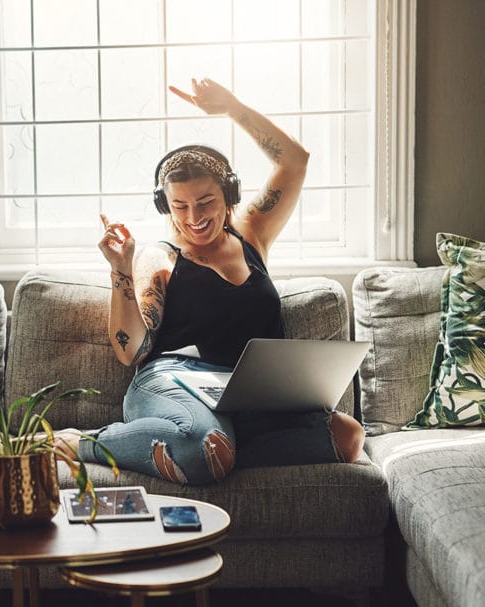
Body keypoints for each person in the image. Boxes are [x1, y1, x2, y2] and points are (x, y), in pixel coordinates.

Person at [56, 77, 365, 485]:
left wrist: (233, 107)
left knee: (347, 435)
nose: (194, 217)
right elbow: (130, 351)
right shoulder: (161, 257)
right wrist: (121, 269)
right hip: (173, 382)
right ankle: (84, 443)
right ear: (165, 204)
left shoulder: (252, 233)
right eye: (179, 206)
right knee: (205, 446)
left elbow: (295, 160)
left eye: (206, 202)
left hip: (246, 396)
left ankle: (218, 450)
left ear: (229, 196)